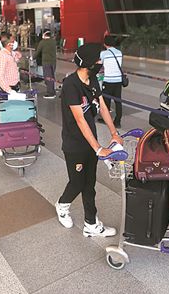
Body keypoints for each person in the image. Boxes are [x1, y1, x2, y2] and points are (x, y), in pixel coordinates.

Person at [56, 43, 121, 237]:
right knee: (77, 183)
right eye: (97, 60)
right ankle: (62, 206)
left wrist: (114, 133)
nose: (100, 62)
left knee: (90, 185)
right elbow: (80, 119)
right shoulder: (70, 85)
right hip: (74, 144)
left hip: (90, 141)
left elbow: (101, 106)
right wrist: (99, 148)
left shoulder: (92, 79)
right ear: (88, 63)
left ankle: (91, 223)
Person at [98, 35, 124, 128]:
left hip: (108, 80)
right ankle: (118, 121)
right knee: (118, 101)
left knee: (106, 100)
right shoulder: (119, 52)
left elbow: (99, 64)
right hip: (118, 80)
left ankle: (106, 119)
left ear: (105, 44)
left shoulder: (103, 54)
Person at [34, 30, 57, 99]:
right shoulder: (53, 41)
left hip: (46, 62)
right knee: (52, 77)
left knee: (47, 77)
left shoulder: (42, 42)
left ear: (44, 34)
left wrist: (32, 57)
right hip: (53, 62)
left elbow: (38, 52)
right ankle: (53, 91)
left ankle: (50, 93)